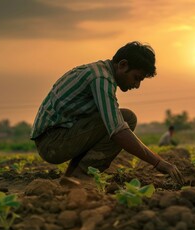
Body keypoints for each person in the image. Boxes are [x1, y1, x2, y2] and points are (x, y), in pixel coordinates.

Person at [30, 41, 184, 185]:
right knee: (127, 119)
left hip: (55, 138)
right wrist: (158, 162)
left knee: (114, 118)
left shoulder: (98, 71)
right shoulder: (101, 79)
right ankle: (80, 180)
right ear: (123, 65)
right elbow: (117, 130)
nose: (136, 85)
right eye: (136, 78)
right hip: (52, 143)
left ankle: (71, 178)